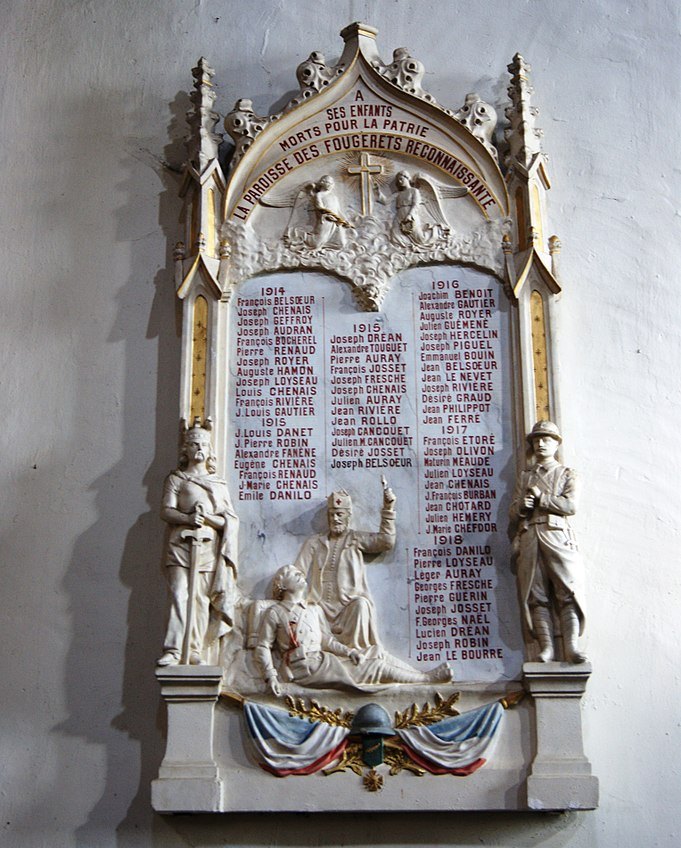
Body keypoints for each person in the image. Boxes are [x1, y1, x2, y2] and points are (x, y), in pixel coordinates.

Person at [255, 566, 452, 695]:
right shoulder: (276, 612)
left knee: (375, 653)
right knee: (374, 667)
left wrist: (350, 652)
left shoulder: (313, 610)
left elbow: (326, 640)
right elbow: (262, 646)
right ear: (281, 585)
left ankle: (420, 676)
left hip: (324, 660)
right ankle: (426, 680)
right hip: (305, 669)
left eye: (298, 571)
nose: (298, 572)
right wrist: (270, 675)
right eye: (291, 573)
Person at [157, 419, 239, 666]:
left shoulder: (218, 484)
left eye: (203, 443)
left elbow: (228, 520)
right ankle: (173, 650)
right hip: (180, 546)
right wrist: (188, 518)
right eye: (193, 444)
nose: (198, 448)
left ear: (210, 449)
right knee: (179, 594)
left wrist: (207, 519)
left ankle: (194, 650)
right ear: (186, 449)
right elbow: (166, 511)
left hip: (207, 548)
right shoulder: (177, 479)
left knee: (201, 599)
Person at [509, 421, 587, 663]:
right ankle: (547, 648)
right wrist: (522, 507)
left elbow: (570, 505)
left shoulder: (566, 474)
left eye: (546, 439)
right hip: (531, 534)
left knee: (566, 591)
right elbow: (513, 510)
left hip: (556, 535)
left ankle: (571, 647)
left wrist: (542, 498)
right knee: (537, 595)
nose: (541, 443)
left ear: (556, 444)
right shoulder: (526, 476)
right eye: (536, 440)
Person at [293, 482, 395, 652]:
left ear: (348, 516)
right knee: (311, 610)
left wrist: (388, 509)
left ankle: (357, 652)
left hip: (348, 606)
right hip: (321, 605)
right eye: (332, 515)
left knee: (362, 605)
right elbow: (298, 572)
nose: (335, 519)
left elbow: (386, 541)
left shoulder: (356, 539)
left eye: (340, 514)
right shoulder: (315, 542)